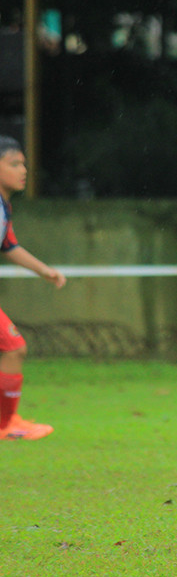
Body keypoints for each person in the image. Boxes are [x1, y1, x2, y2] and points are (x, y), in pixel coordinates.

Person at [0, 136, 67, 441]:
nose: (23, 170)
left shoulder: (4, 206)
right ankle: (6, 424)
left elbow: (9, 245)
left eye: (23, 163)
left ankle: (8, 420)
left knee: (14, 349)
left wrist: (44, 271)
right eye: (14, 164)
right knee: (14, 348)